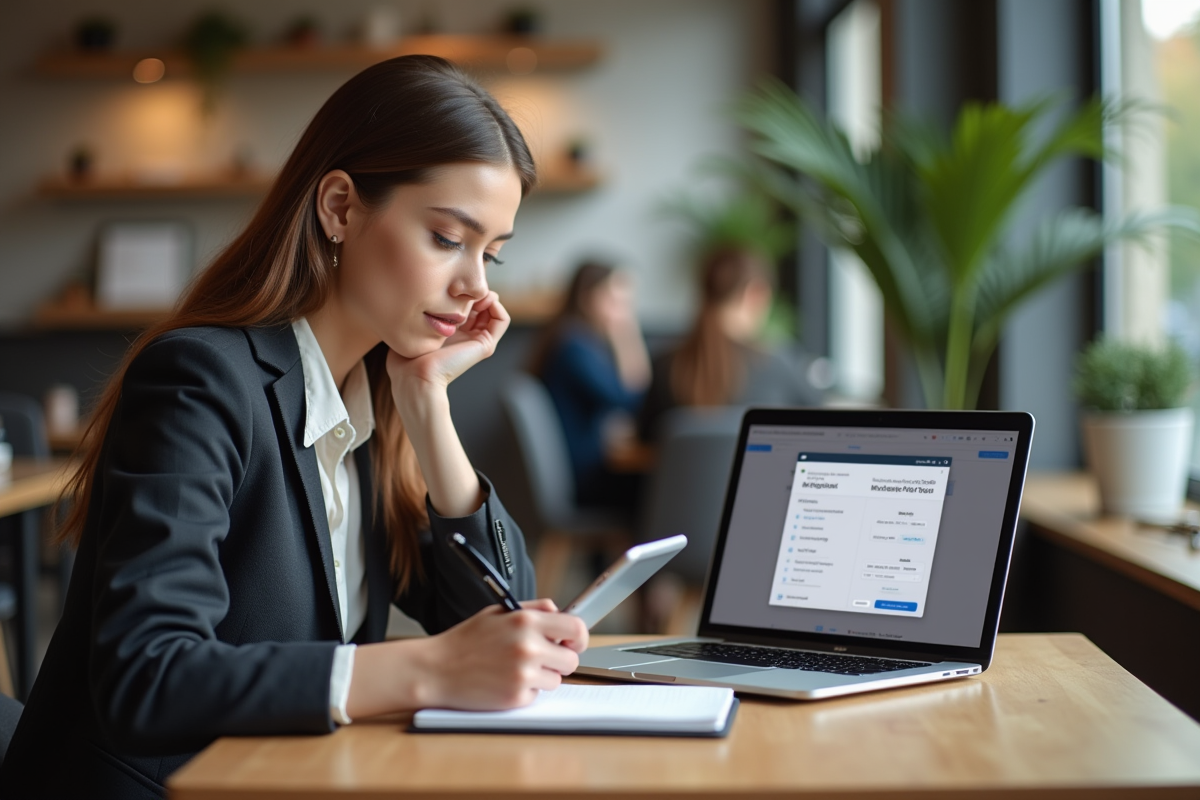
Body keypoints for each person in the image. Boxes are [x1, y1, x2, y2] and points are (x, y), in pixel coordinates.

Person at [0, 56, 587, 799]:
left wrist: (428, 403)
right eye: (447, 238)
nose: (477, 286)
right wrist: (428, 667)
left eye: (492, 253)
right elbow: (146, 676)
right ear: (339, 207)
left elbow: (498, 613)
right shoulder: (200, 381)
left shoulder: (370, 404)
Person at [638, 248, 823, 440]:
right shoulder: (779, 363)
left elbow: (642, 441)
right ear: (756, 292)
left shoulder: (663, 365)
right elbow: (820, 428)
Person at [527, 262, 651, 511]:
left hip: (580, 470)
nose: (623, 311)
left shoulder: (574, 340)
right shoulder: (575, 346)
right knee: (655, 489)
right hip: (583, 478)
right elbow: (629, 401)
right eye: (614, 300)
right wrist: (627, 335)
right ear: (586, 297)